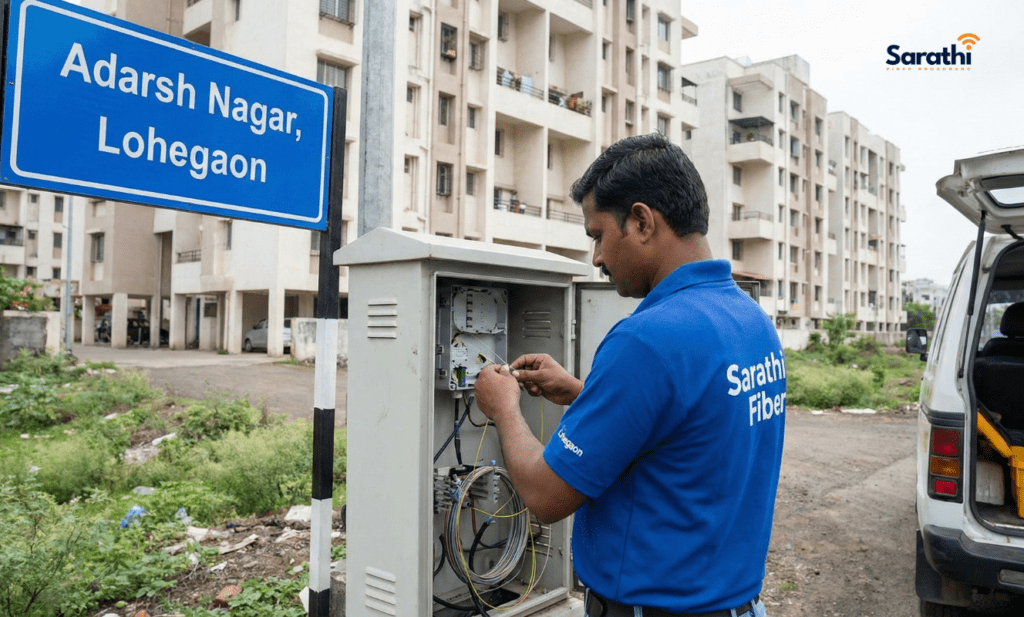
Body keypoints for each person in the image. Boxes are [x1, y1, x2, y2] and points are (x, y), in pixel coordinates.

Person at [474, 132, 786, 617]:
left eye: (598, 235)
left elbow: (544, 495)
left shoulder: (646, 340)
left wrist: (504, 409)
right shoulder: (752, 322)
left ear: (641, 221)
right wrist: (584, 393)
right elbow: (690, 429)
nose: (596, 258)